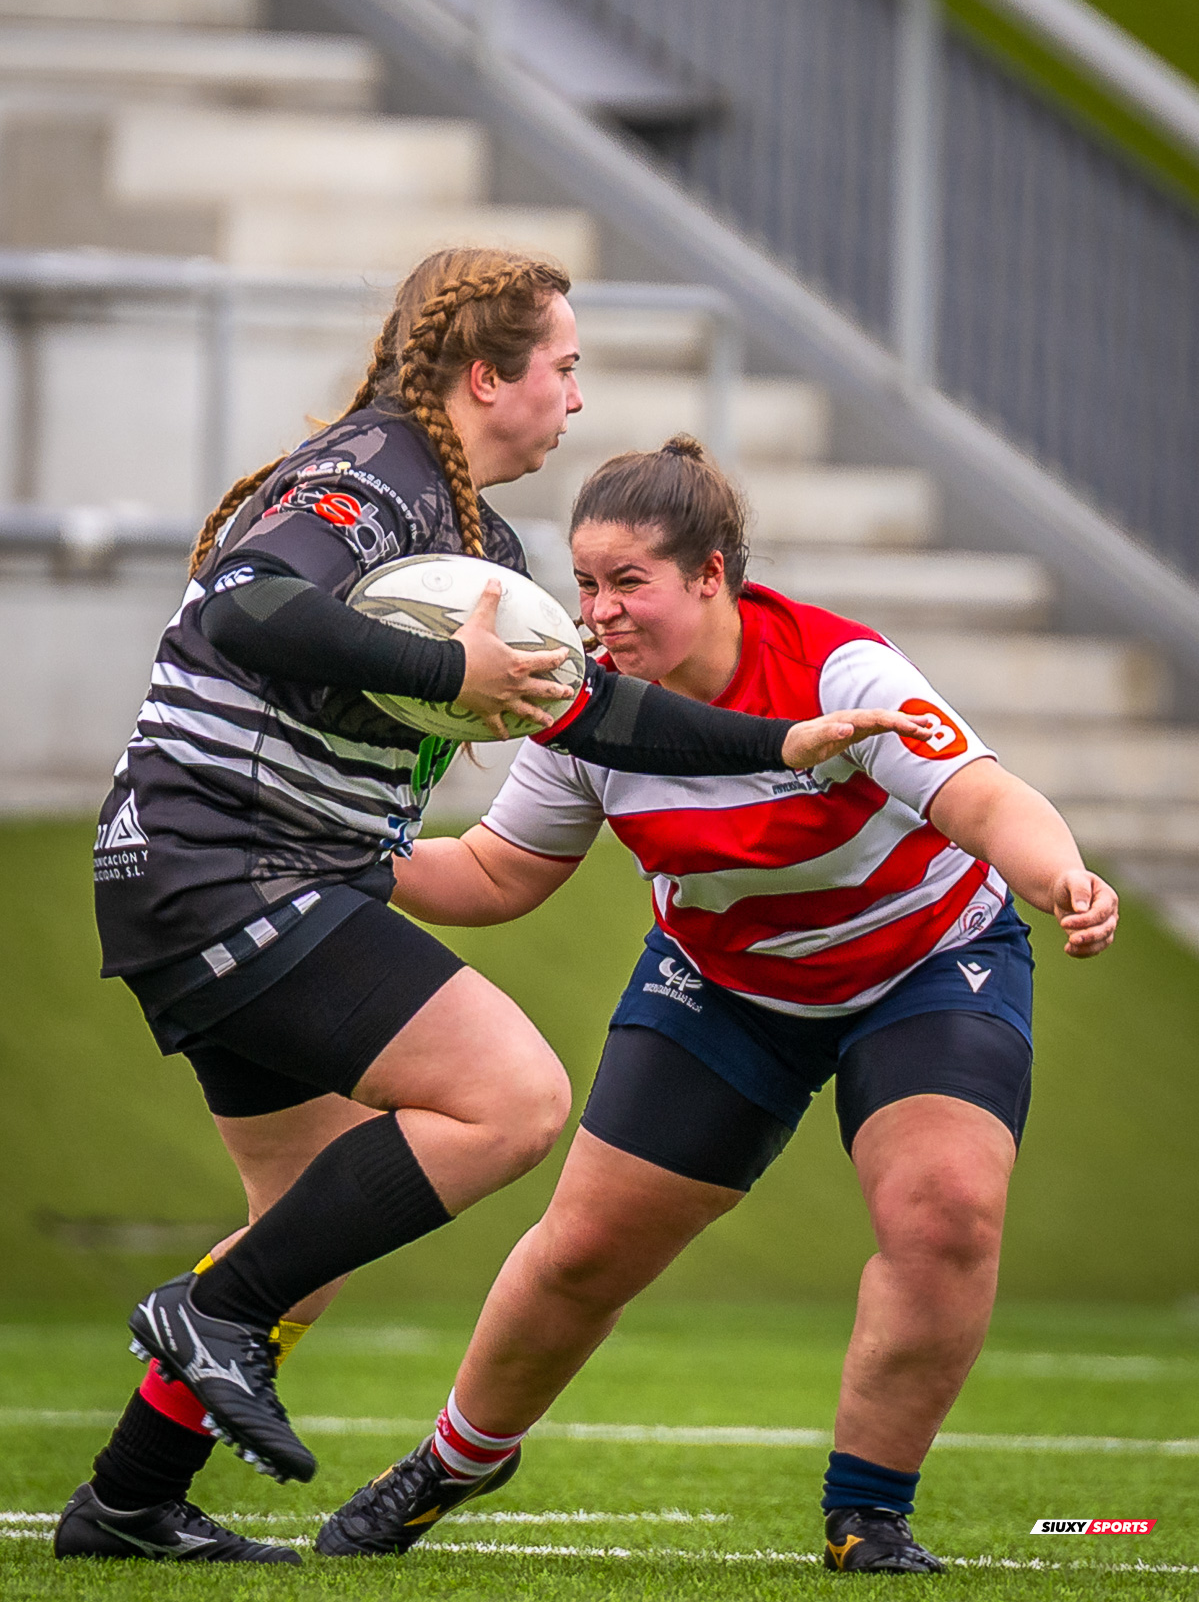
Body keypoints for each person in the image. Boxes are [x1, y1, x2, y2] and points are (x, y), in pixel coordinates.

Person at [56, 258, 932, 1566]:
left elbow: (590, 711)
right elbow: (247, 602)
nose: (576, 397)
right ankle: (213, 1316)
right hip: (226, 865)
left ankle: (126, 1502)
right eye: (561, 367)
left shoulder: (480, 540)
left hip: (226, 875)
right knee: (509, 1099)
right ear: (486, 376)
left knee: (310, 1227)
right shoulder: (375, 478)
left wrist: (779, 737)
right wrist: (443, 666)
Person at [314, 435, 1119, 1574]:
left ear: (711, 574)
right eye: (585, 584)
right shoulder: (583, 707)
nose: (597, 613)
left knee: (944, 1215)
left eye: (627, 582)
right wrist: (350, 860)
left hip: (926, 964)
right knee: (584, 1250)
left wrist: (1059, 877)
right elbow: (498, 873)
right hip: (727, 984)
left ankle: (866, 1517)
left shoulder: (840, 674)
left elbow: (981, 797)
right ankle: (455, 1459)